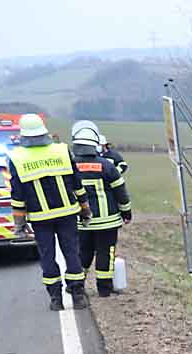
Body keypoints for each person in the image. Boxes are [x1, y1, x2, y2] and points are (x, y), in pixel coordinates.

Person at [8, 114, 91, 310]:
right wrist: (85, 209)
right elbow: (77, 184)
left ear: (23, 134)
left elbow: (17, 195)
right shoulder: (62, 151)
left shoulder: (17, 158)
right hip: (67, 214)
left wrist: (19, 225)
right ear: (44, 131)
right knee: (72, 253)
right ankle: (77, 295)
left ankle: (56, 299)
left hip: (40, 218)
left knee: (47, 256)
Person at [72, 122, 131, 297]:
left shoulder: (70, 166)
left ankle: (78, 286)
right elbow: (120, 191)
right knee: (106, 252)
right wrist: (126, 212)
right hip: (108, 221)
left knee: (83, 253)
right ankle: (104, 289)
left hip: (82, 221)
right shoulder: (107, 165)